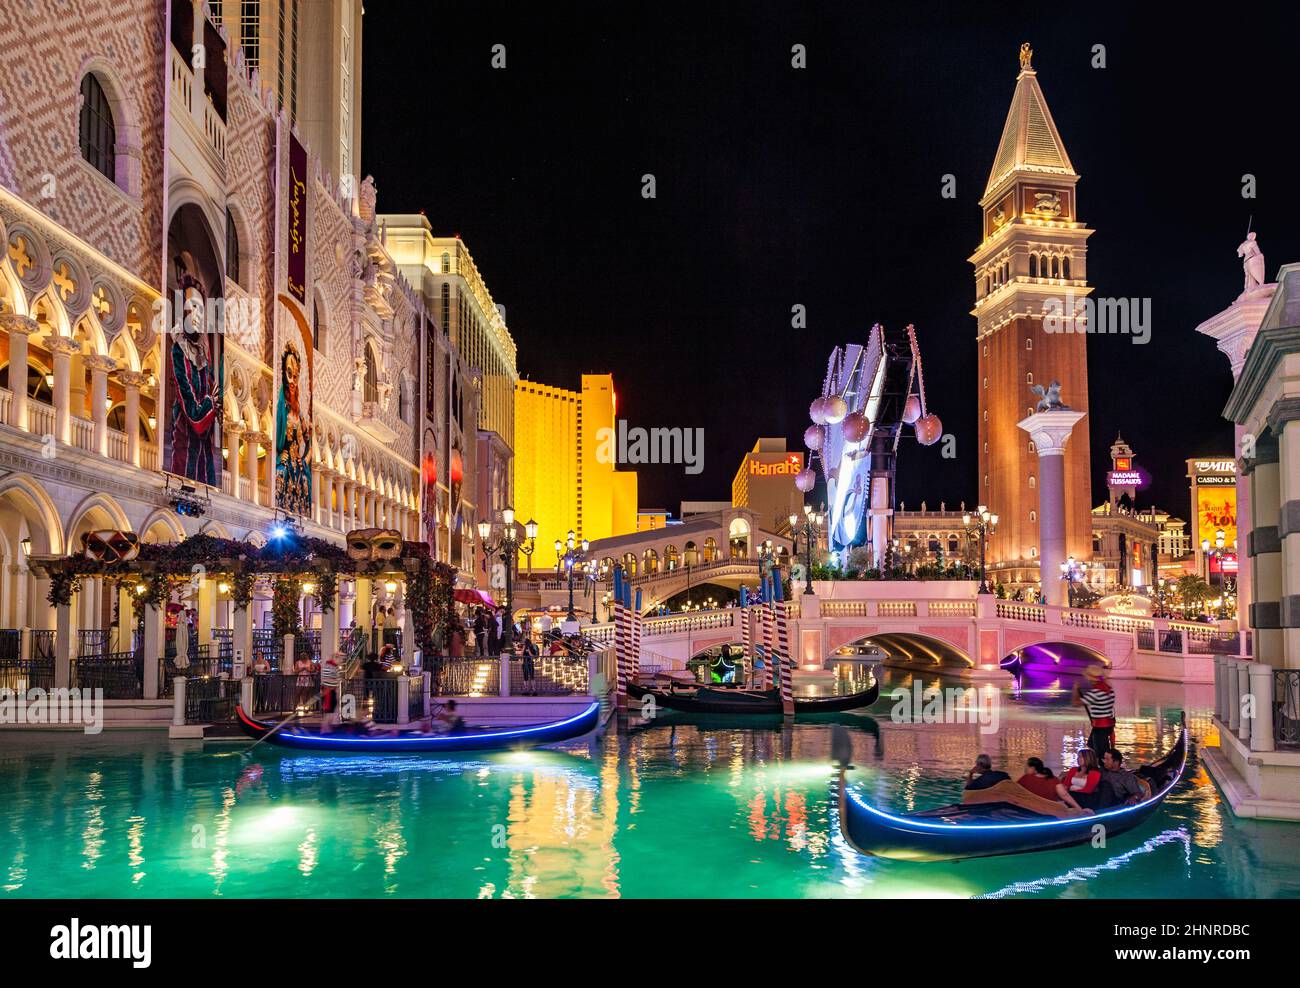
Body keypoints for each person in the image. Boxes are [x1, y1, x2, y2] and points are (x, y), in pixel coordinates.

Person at [1074, 665, 1117, 760]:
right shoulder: (1108, 689)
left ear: (1091, 679)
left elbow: (1076, 703)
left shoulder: (1096, 692)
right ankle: (1097, 764)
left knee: (1101, 754)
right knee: (1091, 744)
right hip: (1107, 725)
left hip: (1100, 727)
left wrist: (1075, 689)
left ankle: (1102, 769)